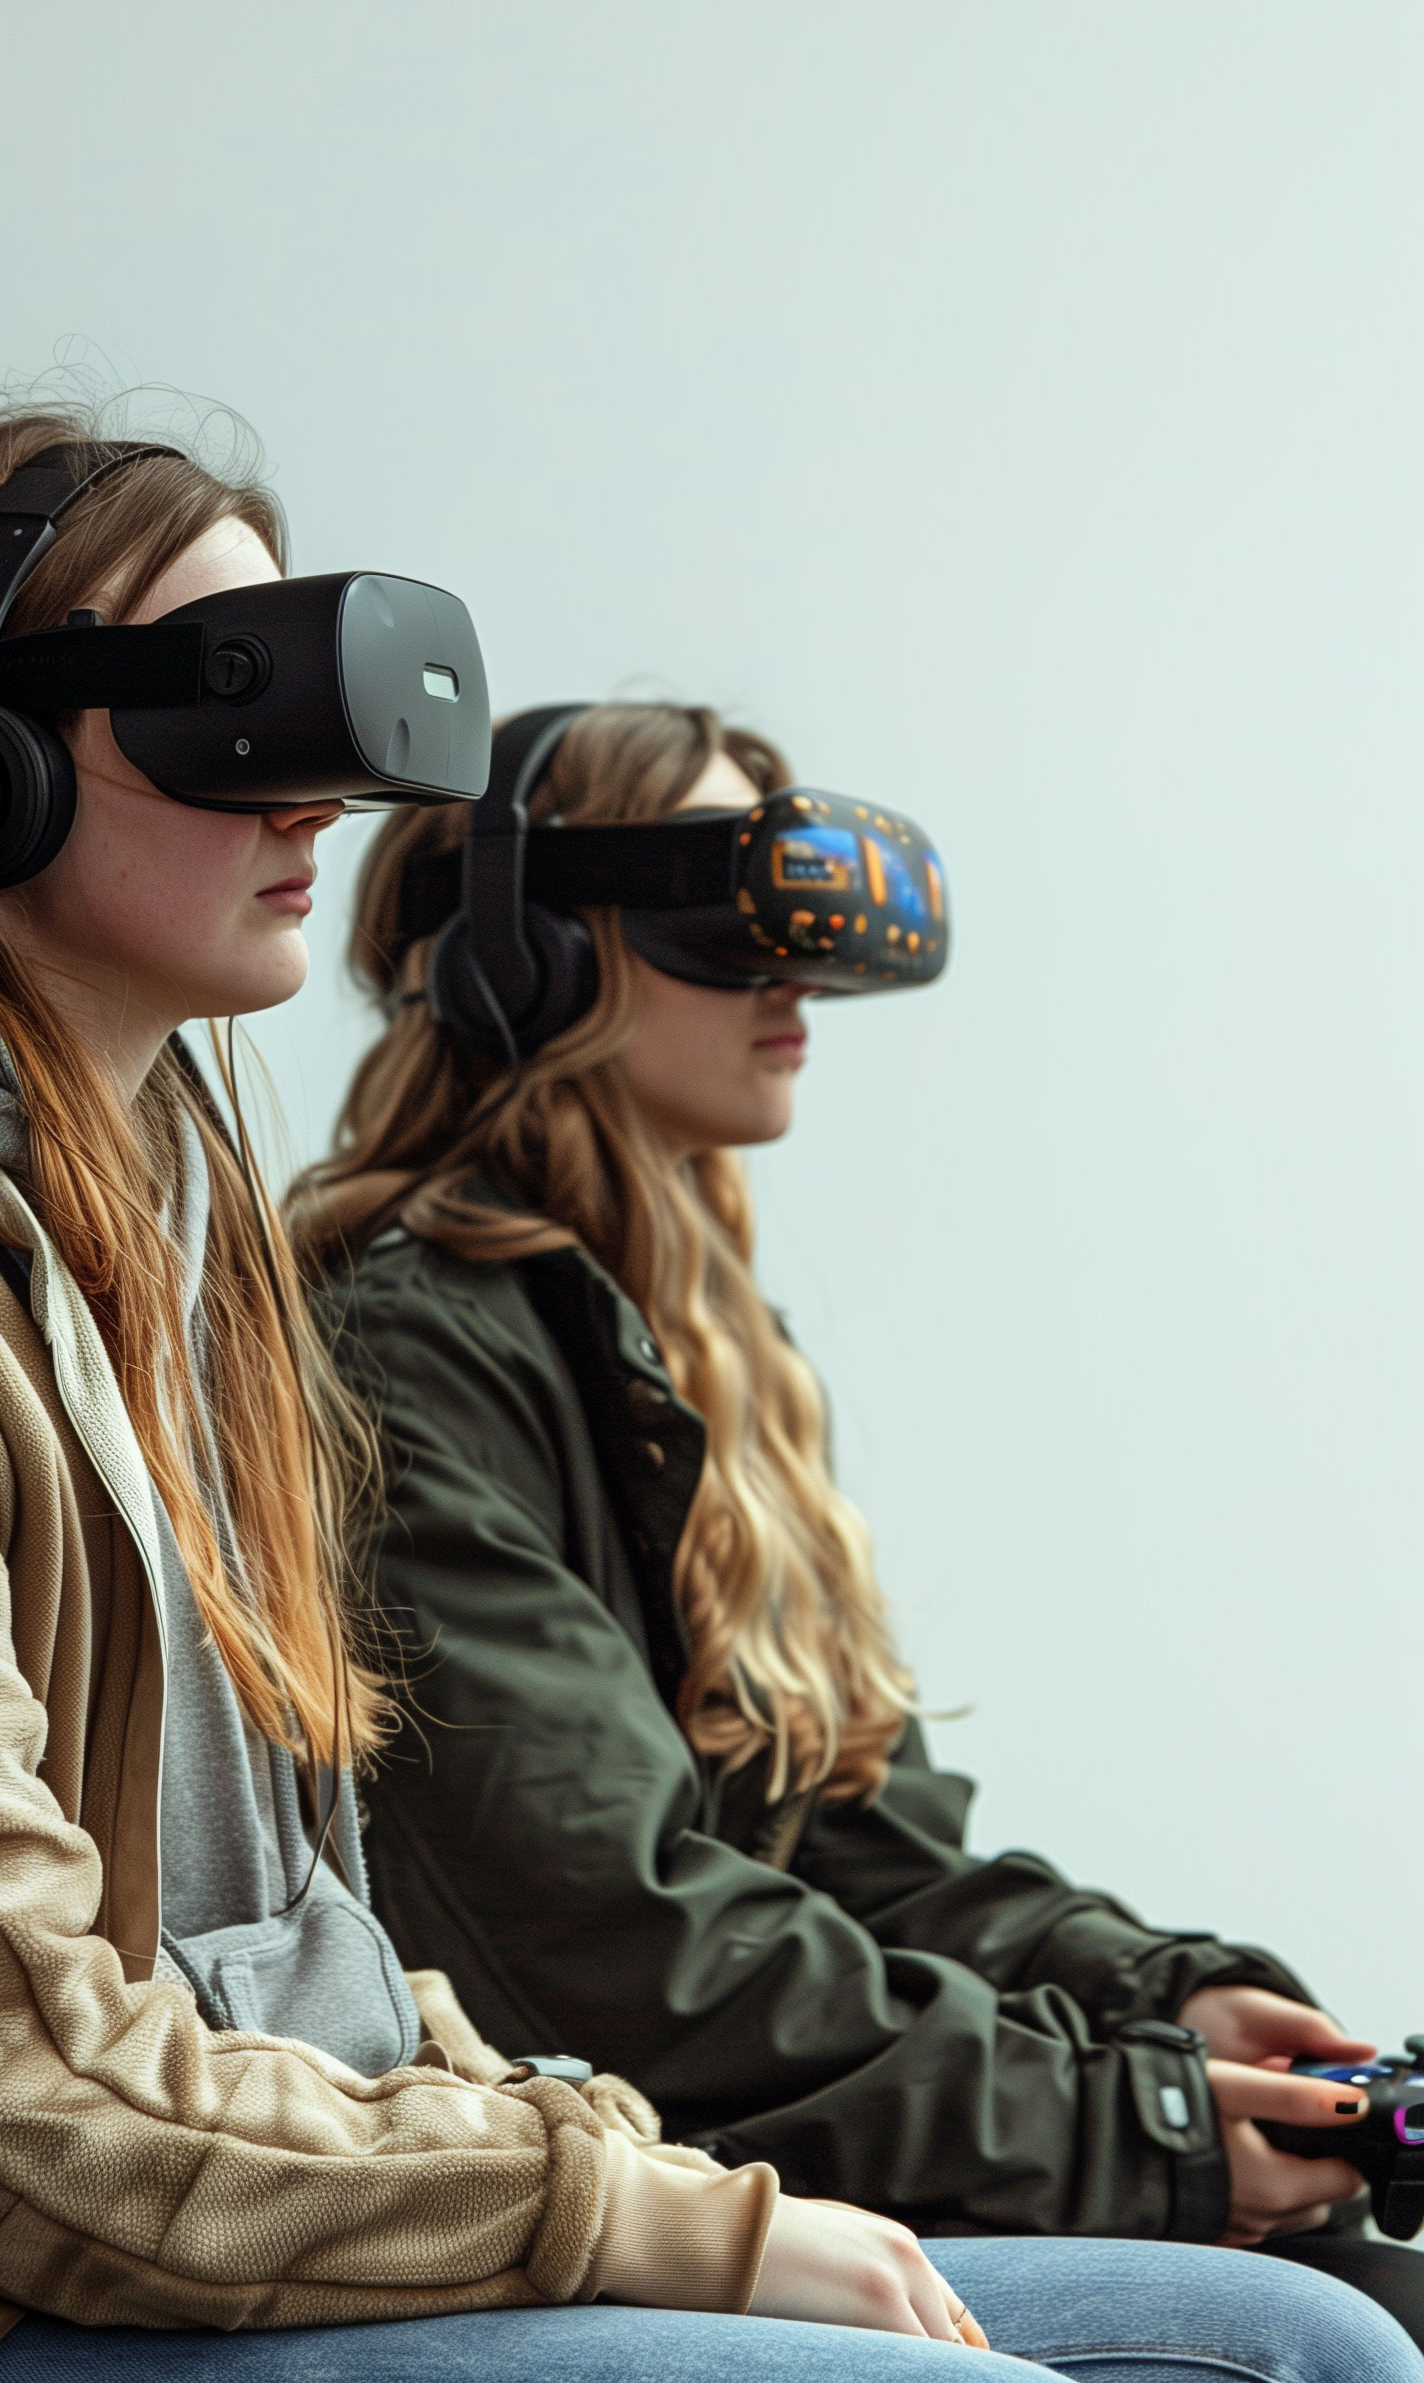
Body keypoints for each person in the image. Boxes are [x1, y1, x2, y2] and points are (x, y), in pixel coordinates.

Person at [0, 410, 1376, 2383]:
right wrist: (649, 2207)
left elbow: (339, 1960)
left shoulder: (178, 1276)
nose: (319, 798)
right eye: (233, 707)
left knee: (1304, 2341)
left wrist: (1114, 2018)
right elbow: (4, 2082)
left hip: (259, 2191)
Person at [295, 697, 1424, 2362]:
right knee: (1317, 2334)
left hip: (715, 2145)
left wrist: (1157, 2000)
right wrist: (1134, 2130)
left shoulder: (679, 1343)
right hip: (545, 2179)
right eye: (725, 914)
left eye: (806, 928)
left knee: (1376, 2272)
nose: (793, 981)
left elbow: (854, 1840)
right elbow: (609, 1937)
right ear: (520, 961)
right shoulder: (405, 1347)